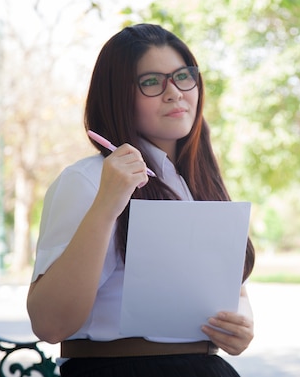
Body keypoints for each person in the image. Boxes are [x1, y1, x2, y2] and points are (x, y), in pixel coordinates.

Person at [27, 23, 255, 377]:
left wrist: (240, 325)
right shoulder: (87, 179)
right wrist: (107, 204)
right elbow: (50, 323)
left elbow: (227, 290)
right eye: (151, 82)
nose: (175, 92)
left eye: (183, 76)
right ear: (118, 95)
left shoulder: (193, 181)